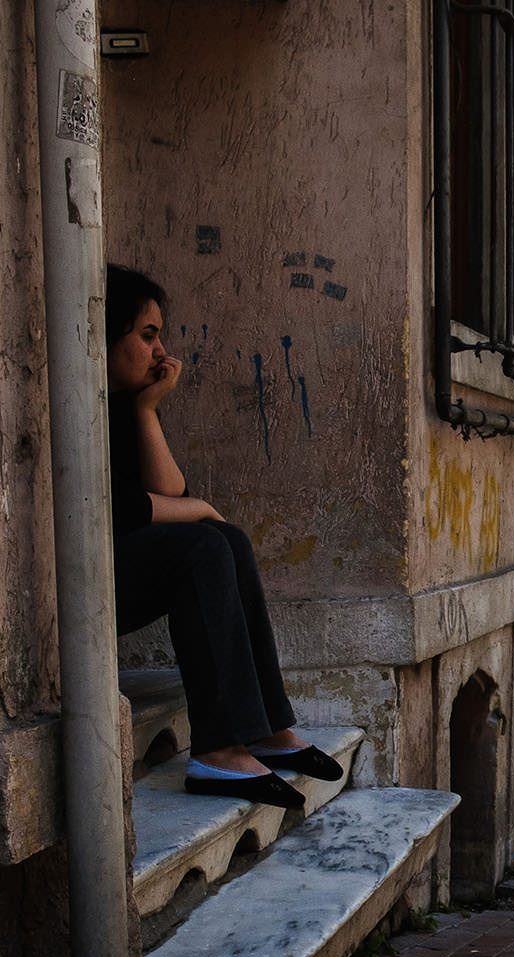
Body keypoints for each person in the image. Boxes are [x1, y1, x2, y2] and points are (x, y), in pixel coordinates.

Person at [104, 264, 341, 809]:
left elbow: (167, 490)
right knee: (207, 541)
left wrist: (146, 410)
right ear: (104, 333)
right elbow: (118, 512)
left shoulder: (122, 407)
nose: (161, 349)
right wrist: (196, 508)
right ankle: (216, 751)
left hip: (114, 570)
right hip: (67, 591)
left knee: (226, 541)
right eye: (147, 335)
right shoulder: (68, 405)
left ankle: (267, 730)